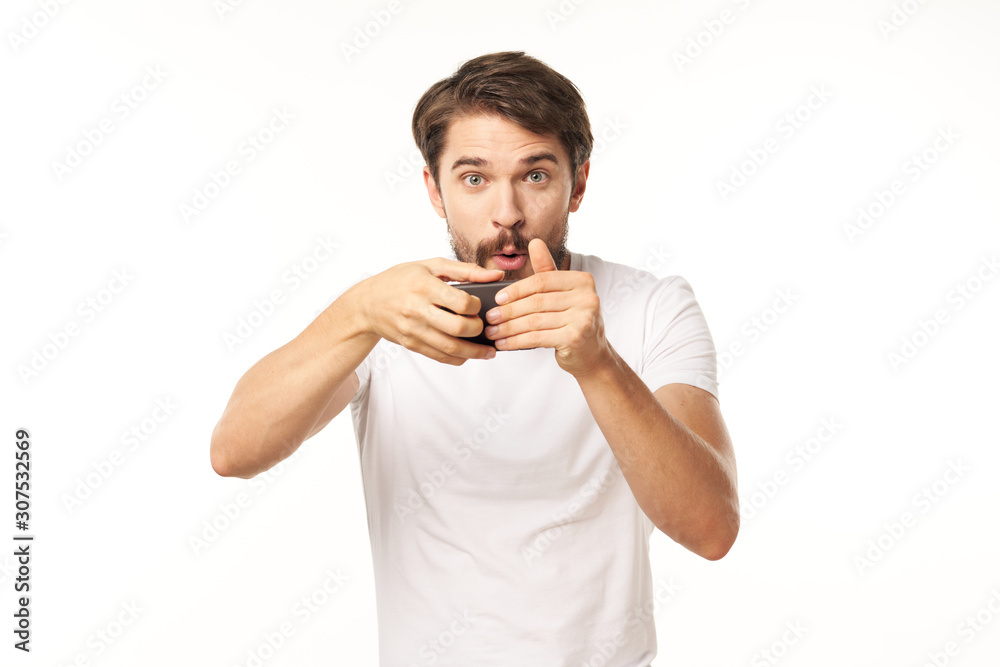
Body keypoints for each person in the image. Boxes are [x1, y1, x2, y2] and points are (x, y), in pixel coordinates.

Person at [211, 51, 739, 667]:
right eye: (474, 179)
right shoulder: (388, 312)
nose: (506, 213)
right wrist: (357, 313)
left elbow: (711, 529)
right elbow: (234, 453)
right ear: (434, 190)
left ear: (578, 184)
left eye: (535, 175)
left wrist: (598, 364)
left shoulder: (652, 306)